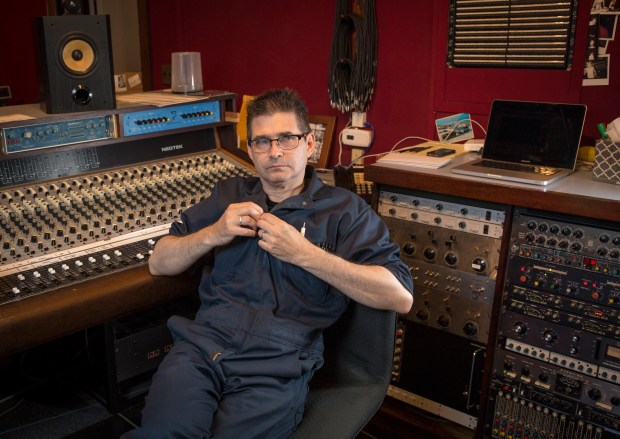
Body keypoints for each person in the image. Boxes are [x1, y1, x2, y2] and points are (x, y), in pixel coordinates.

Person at [122, 88, 413, 439]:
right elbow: (160, 262)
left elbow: (399, 296)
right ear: (250, 150)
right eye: (262, 141)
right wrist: (214, 232)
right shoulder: (229, 196)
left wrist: (305, 254)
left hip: (276, 366)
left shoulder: (345, 211)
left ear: (308, 144)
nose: (274, 152)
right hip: (201, 350)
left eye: (286, 139)